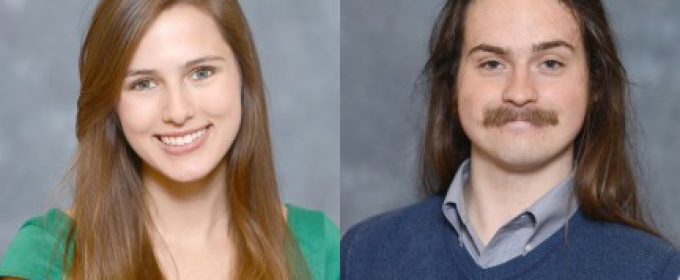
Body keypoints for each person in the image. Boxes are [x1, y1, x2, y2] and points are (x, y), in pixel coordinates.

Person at [0, 0, 339, 279]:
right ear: (111, 104)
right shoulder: (46, 256)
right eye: (143, 83)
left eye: (201, 73)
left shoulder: (318, 248)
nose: (178, 111)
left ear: (243, 77)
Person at [341, 0, 680, 279]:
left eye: (549, 63)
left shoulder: (656, 270)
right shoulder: (363, 255)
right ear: (452, 85)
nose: (519, 93)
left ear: (595, 86)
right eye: (492, 63)